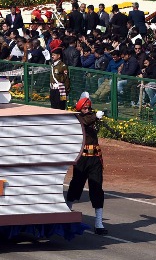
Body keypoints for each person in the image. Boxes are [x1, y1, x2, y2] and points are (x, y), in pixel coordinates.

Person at [66, 96, 108, 235]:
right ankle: (67, 211)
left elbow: (90, 119)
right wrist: (95, 116)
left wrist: (96, 116)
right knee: (76, 185)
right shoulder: (77, 118)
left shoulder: (91, 116)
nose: (87, 110)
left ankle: (99, 223)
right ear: (79, 108)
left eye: (89, 107)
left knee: (96, 188)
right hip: (82, 158)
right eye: (85, 108)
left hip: (95, 158)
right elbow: (85, 121)